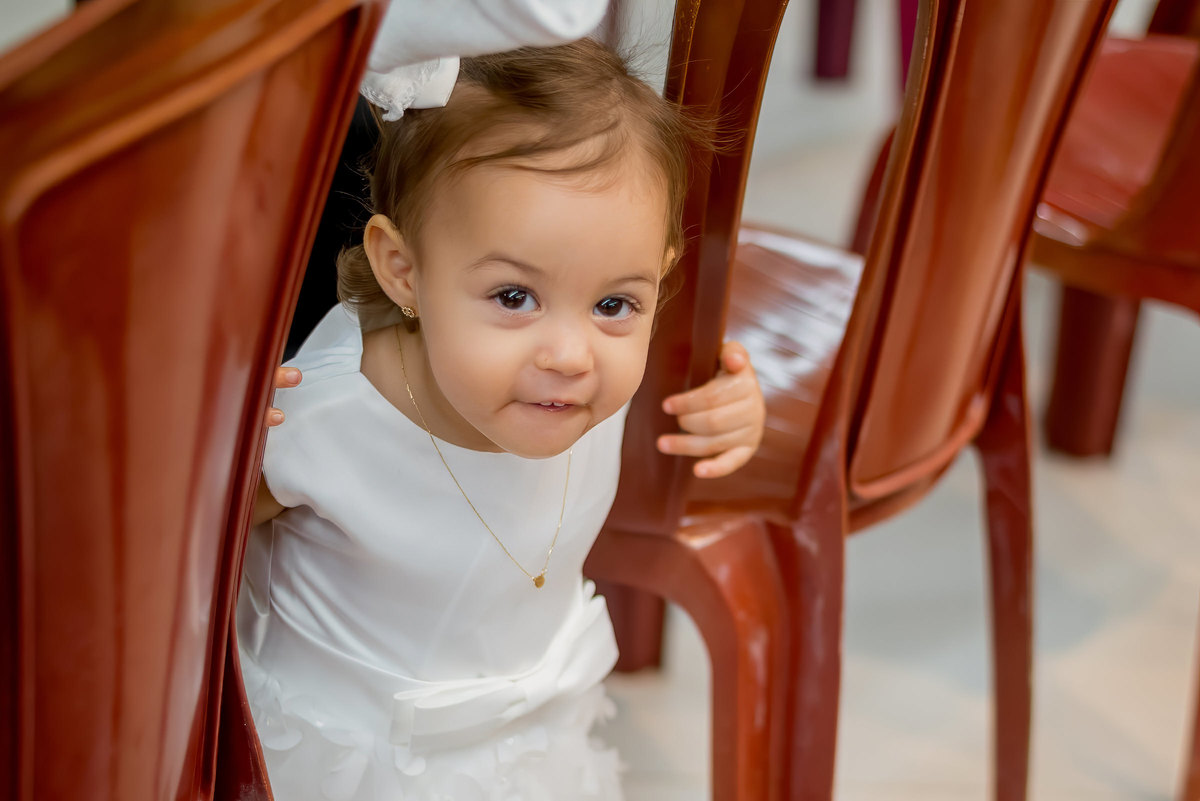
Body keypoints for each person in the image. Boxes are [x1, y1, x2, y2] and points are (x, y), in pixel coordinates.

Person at [240, 39, 765, 801]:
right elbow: (173, 558)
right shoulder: (321, 422)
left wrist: (734, 413)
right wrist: (213, 456)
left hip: (531, 754)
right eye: (514, 297)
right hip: (341, 768)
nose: (571, 355)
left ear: (660, 276)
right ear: (403, 270)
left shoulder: (602, 384)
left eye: (614, 302)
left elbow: (686, 421)